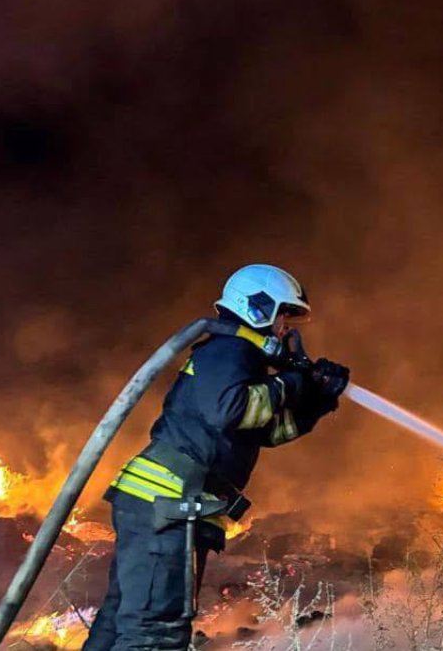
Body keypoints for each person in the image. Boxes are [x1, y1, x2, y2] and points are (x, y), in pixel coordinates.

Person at [83, 265, 350, 651]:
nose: (286, 330)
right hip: (167, 508)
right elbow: (230, 409)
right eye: (282, 317)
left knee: (122, 623)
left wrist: (318, 401)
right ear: (258, 307)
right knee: (153, 635)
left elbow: (266, 431)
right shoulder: (229, 349)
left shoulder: (239, 360)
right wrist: (294, 382)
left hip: (166, 509)